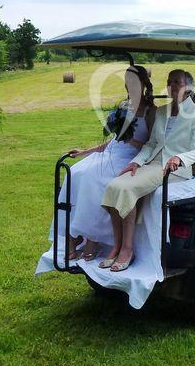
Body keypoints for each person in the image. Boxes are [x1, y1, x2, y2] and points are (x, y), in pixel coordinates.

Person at [99, 69, 195, 272]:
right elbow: (151, 144)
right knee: (114, 185)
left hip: (173, 169)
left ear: (188, 87)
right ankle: (116, 246)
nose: (173, 86)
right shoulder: (161, 112)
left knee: (127, 188)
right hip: (152, 164)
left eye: (177, 82)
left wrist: (179, 158)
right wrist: (137, 162)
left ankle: (127, 249)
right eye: (170, 81)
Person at [56, 65, 156, 261]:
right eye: (127, 83)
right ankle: (75, 234)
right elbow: (112, 140)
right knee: (76, 173)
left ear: (143, 84)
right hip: (112, 152)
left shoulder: (151, 111)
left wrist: (130, 139)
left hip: (132, 158)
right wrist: (85, 152)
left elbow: (152, 145)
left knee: (96, 178)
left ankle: (93, 237)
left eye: (134, 82)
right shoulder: (123, 107)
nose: (129, 87)